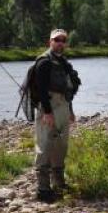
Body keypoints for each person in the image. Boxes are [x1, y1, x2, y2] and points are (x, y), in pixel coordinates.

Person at [33, 29, 80, 202]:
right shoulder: (44, 62)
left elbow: (68, 89)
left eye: (63, 40)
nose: (60, 43)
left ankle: (59, 183)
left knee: (61, 145)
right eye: (56, 40)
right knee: (45, 145)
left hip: (64, 107)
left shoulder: (64, 63)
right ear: (50, 42)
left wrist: (71, 110)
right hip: (49, 107)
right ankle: (43, 189)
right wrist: (47, 112)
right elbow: (41, 90)